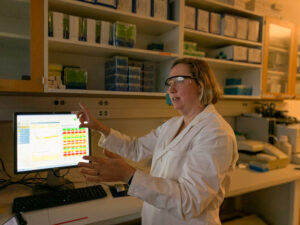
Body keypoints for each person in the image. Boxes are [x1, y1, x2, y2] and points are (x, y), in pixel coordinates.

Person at [77, 58, 238, 225]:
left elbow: (190, 202)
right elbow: (136, 148)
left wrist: (129, 176)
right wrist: (99, 127)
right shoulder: (173, 124)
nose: (172, 89)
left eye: (180, 80)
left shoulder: (216, 133)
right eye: (170, 82)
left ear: (201, 84)